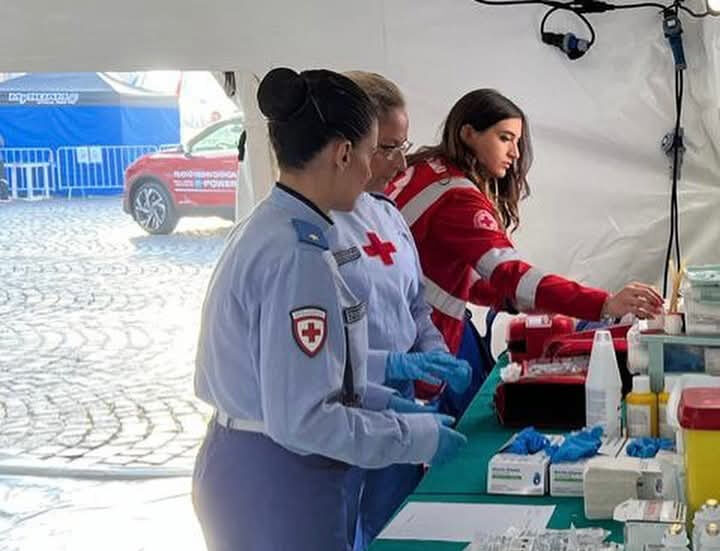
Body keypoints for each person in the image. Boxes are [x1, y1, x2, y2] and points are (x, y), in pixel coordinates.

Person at [191, 67, 467, 551]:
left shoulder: (273, 225)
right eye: (370, 153)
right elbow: (304, 419)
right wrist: (411, 437)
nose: (378, 170)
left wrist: (379, 398)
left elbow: (298, 371)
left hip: (255, 461)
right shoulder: (302, 257)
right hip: (279, 475)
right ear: (344, 154)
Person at [386, 88, 663, 378]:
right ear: (468, 134)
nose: (515, 153)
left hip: (395, 323)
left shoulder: (424, 168)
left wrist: (523, 300)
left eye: (517, 141)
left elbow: (460, 274)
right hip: (415, 334)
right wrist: (605, 303)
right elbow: (510, 273)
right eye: (504, 138)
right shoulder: (457, 196)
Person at [330, 72, 471, 551]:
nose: (400, 161)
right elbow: (316, 351)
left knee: (400, 527)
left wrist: (432, 352)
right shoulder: (320, 225)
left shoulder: (387, 214)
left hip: (402, 398)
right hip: (344, 404)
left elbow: (415, 304)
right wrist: (390, 364)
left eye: (403, 144)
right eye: (388, 147)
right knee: (346, 528)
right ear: (351, 145)